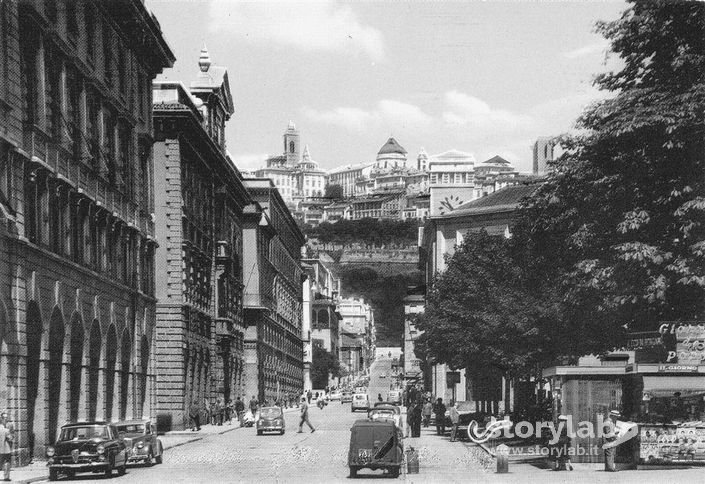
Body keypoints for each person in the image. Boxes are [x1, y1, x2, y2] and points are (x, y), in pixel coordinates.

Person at [0, 411, 13, 482]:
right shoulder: (6, 430)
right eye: (4, 418)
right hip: (5, 449)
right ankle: (6, 477)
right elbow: (10, 438)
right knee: (6, 462)